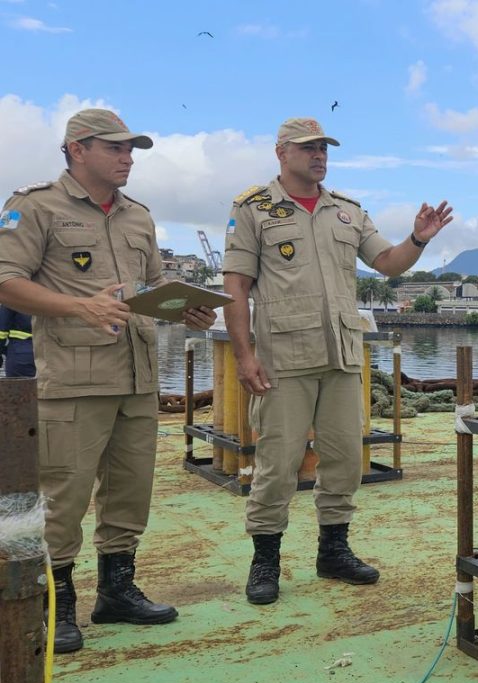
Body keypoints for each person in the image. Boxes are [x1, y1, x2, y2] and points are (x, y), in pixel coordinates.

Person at [0, 108, 217, 653]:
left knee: (129, 491)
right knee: (63, 495)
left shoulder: (137, 216)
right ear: (77, 149)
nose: (128, 159)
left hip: (137, 376)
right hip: (73, 378)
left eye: (132, 151)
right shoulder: (35, 206)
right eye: (116, 148)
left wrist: (184, 307)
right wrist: (79, 308)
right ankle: (57, 603)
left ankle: (117, 590)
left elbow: (145, 287)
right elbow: (4, 279)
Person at [223, 117, 452, 605]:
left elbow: (387, 263)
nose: (319, 155)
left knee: (346, 457)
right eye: (309, 148)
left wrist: (418, 239)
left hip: (342, 355)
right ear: (282, 152)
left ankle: (334, 550)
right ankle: (266, 559)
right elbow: (236, 287)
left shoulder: (346, 211)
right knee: (277, 463)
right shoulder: (253, 209)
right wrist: (245, 356)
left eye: (324, 147)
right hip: (283, 357)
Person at [0, 304, 35, 377]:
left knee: (17, 386)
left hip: (20, 354)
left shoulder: (14, 297)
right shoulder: (56, 295)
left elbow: (1, 332)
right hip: (52, 353)